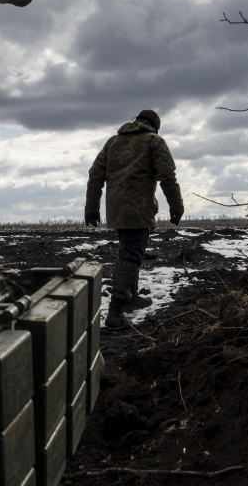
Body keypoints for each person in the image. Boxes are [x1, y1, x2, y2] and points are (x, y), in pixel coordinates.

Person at [84, 109, 183, 330]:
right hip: (139, 211)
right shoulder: (154, 141)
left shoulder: (113, 142)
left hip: (117, 211)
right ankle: (115, 313)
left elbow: (95, 175)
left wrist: (91, 208)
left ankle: (132, 298)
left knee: (130, 254)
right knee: (130, 258)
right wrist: (176, 206)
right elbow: (167, 176)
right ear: (154, 125)